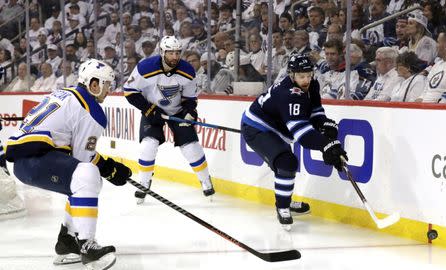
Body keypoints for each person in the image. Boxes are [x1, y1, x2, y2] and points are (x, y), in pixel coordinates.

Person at [4, 59, 132, 270]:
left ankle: (66, 242)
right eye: (107, 84)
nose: (109, 90)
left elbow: (77, 158)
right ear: (94, 84)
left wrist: (107, 168)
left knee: (86, 181)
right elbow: (83, 159)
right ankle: (88, 247)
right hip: (36, 160)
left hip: (27, 161)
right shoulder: (91, 109)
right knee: (88, 176)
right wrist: (110, 169)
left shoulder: (66, 94)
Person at [241, 54, 348, 229]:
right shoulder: (289, 94)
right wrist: (326, 145)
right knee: (287, 162)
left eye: (308, 75)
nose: (306, 80)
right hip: (256, 128)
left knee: (286, 164)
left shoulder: (312, 84)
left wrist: (324, 124)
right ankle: (282, 207)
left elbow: (315, 111)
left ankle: (285, 199)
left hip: (276, 127)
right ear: (292, 75)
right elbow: (303, 135)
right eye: (301, 76)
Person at [124, 36, 215, 204]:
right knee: (148, 146)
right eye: (170, 53)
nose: (174, 56)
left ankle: (205, 180)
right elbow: (129, 91)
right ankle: (144, 182)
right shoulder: (145, 67)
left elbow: (190, 98)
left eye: (177, 53)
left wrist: (189, 112)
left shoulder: (187, 70)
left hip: (177, 111)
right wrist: (150, 109)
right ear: (162, 52)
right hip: (152, 110)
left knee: (191, 147)